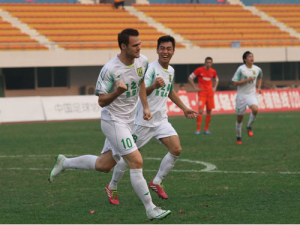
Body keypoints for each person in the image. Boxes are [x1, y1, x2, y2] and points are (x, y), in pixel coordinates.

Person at [48, 29, 171, 220]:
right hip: (113, 120)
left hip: (128, 121)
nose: (139, 48)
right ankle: (151, 208)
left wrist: (145, 107)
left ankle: (64, 162)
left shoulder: (143, 61)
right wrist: (117, 92)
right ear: (123, 46)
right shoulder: (109, 69)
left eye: (140, 43)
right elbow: (102, 101)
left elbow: (140, 84)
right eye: (135, 45)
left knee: (104, 165)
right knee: (136, 161)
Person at [104, 35, 197, 205]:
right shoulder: (151, 69)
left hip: (161, 121)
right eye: (162, 48)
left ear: (173, 51)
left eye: (169, 49)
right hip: (143, 121)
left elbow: (170, 91)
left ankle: (156, 182)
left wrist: (185, 108)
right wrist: (153, 86)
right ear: (157, 50)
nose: (165, 52)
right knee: (127, 157)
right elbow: (142, 91)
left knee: (176, 149)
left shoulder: (171, 71)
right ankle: (112, 186)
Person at [232, 51, 262, 144]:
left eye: (252, 56)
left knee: (255, 109)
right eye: (249, 56)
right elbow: (235, 83)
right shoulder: (241, 69)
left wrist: (259, 87)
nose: (251, 58)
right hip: (241, 96)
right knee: (240, 118)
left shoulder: (257, 69)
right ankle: (238, 137)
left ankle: (248, 126)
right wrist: (247, 80)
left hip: (251, 95)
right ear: (245, 59)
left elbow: (260, 77)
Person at [188, 57, 219, 135]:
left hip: (210, 94)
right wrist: (195, 87)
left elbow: (217, 79)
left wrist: (215, 87)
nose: (208, 64)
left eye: (210, 62)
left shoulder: (213, 71)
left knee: (209, 111)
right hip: (202, 94)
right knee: (200, 111)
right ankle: (198, 129)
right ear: (205, 63)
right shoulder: (199, 70)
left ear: (212, 63)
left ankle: (206, 129)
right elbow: (190, 78)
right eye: (207, 62)